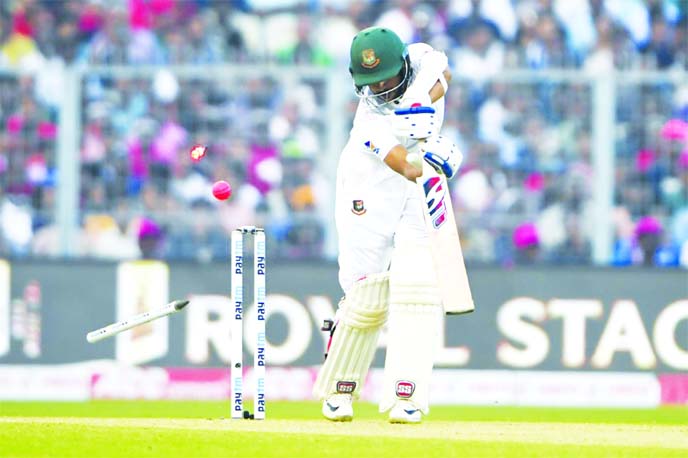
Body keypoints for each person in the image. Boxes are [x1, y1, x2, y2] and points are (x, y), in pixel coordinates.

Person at [312, 26, 462, 423]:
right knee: (365, 294)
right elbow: (404, 164)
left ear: (404, 64)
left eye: (386, 78)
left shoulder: (423, 57)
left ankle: (407, 397)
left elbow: (443, 78)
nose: (378, 88)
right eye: (369, 82)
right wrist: (431, 161)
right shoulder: (368, 122)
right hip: (369, 189)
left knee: (418, 285)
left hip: (417, 192)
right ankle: (339, 391)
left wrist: (417, 106)